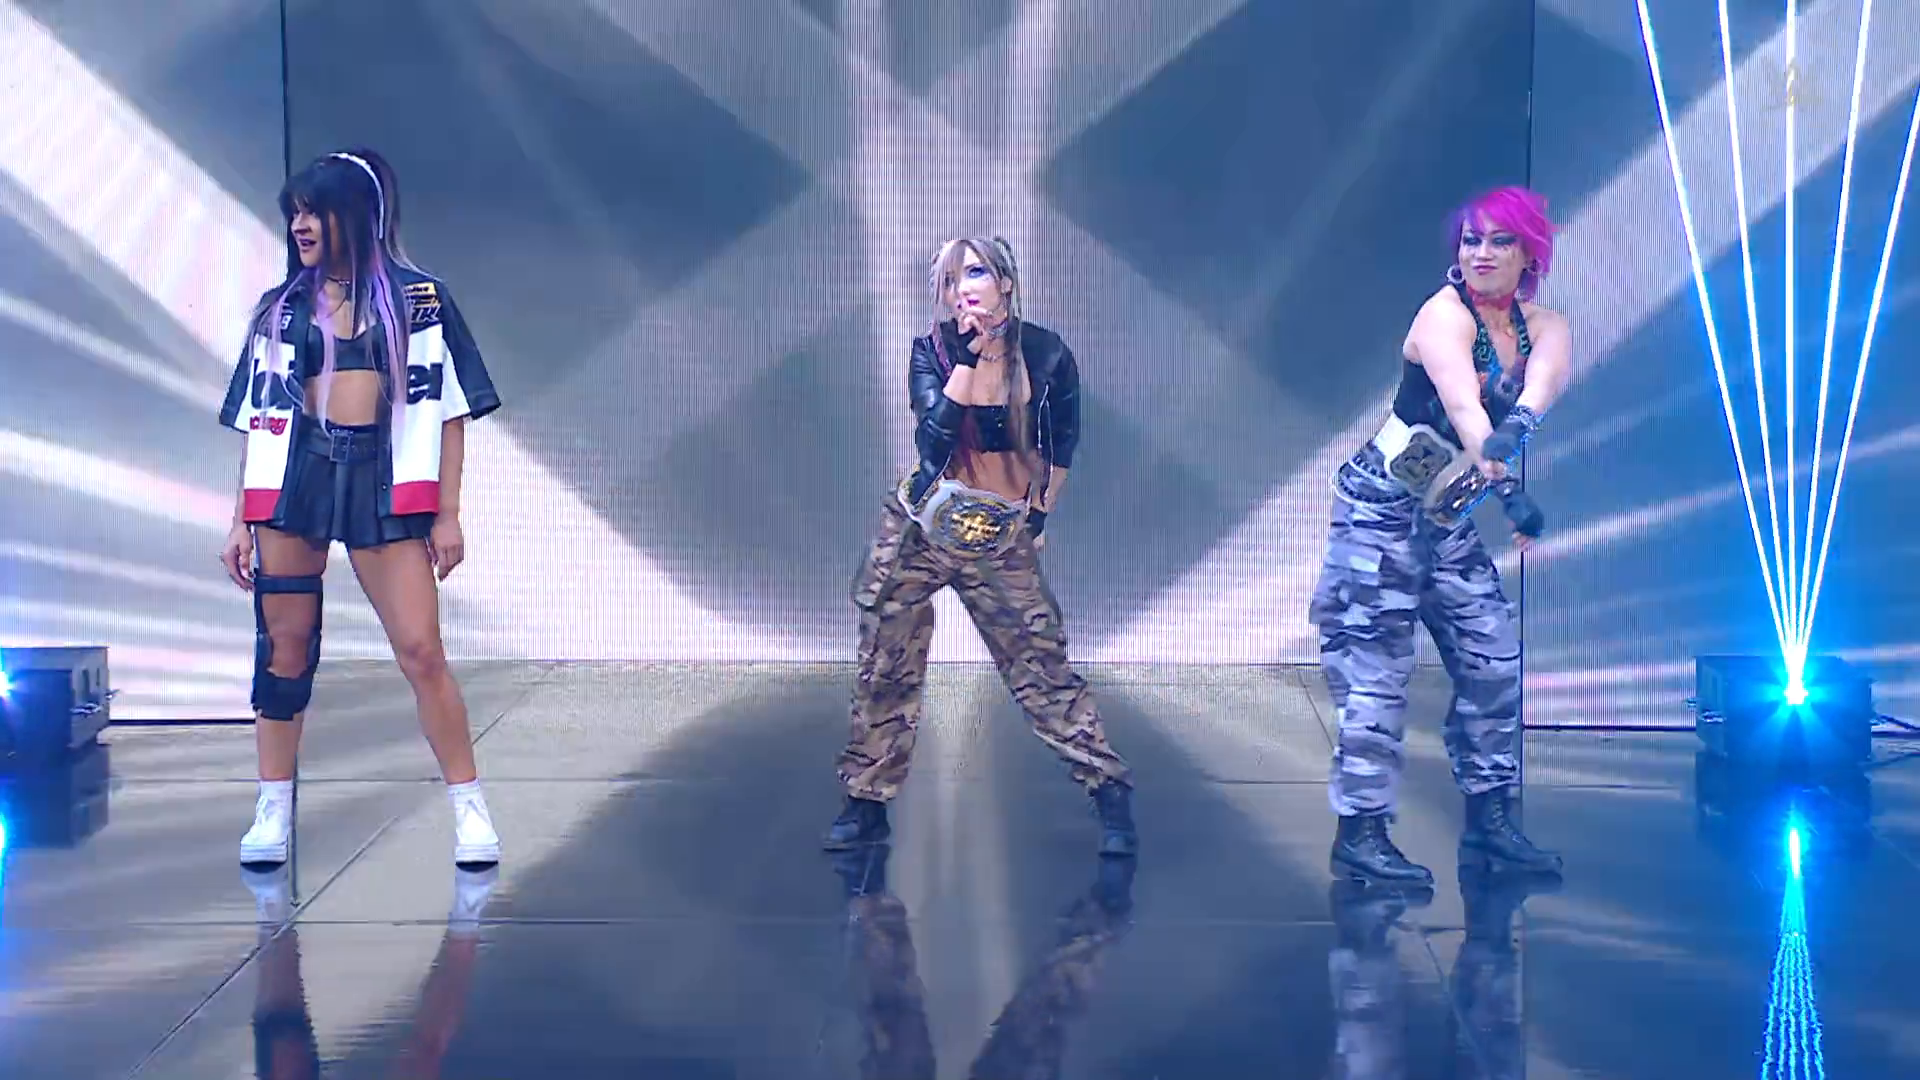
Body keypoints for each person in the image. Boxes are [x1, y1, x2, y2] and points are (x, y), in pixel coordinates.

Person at [216, 149, 503, 868]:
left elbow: (450, 410)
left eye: (314, 212)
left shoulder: (420, 299)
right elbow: (256, 417)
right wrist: (240, 519)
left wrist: (447, 512)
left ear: (356, 214)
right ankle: (272, 808)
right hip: (297, 477)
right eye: (295, 214)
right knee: (283, 651)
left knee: (421, 649)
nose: (301, 226)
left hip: (384, 476)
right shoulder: (280, 308)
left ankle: (469, 807)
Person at [823, 236, 1137, 857]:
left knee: (1040, 663)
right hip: (921, 525)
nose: (962, 289)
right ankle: (865, 801)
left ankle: (1109, 791)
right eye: (950, 280)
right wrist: (966, 361)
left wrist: (1037, 519)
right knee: (886, 661)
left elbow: (1061, 446)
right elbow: (933, 443)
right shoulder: (934, 351)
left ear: (1005, 282)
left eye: (974, 273)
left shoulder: (1045, 354)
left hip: (997, 531)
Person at [1311, 186, 1571, 885]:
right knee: (1375, 674)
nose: (1481, 253)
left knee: (1493, 661)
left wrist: (1517, 433)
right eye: (1471, 239)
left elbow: (1540, 385)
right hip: (1379, 513)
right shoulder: (1442, 315)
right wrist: (1508, 490)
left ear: (1530, 253)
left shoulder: (1544, 327)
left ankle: (1490, 823)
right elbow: (1465, 409)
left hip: (1446, 518)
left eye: (1500, 241)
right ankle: (1360, 834)